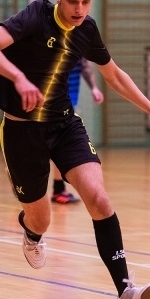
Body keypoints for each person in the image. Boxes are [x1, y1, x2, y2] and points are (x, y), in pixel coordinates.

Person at [0, 0, 150, 299]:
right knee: (42, 218)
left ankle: (126, 288)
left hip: (65, 125)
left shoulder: (87, 30)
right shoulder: (35, 17)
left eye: (85, 2)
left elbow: (114, 75)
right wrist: (19, 78)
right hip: (21, 130)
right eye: (72, 1)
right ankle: (30, 230)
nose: (79, 10)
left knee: (98, 198)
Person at [50, 58, 104, 204]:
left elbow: (85, 65)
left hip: (69, 101)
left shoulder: (78, 39)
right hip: (47, 103)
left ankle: (59, 189)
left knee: (59, 145)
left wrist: (93, 87)